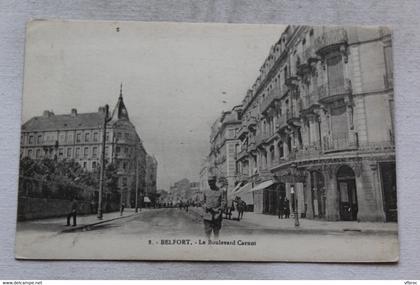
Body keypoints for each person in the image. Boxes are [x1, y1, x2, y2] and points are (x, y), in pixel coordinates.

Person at [202, 174, 225, 240]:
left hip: (217, 216)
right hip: (207, 215)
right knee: (207, 234)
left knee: (216, 234)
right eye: (209, 181)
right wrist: (205, 207)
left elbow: (223, 202)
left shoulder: (220, 191)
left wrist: (219, 209)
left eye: (211, 181)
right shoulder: (205, 191)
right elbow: (202, 202)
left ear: (215, 181)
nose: (210, 183)